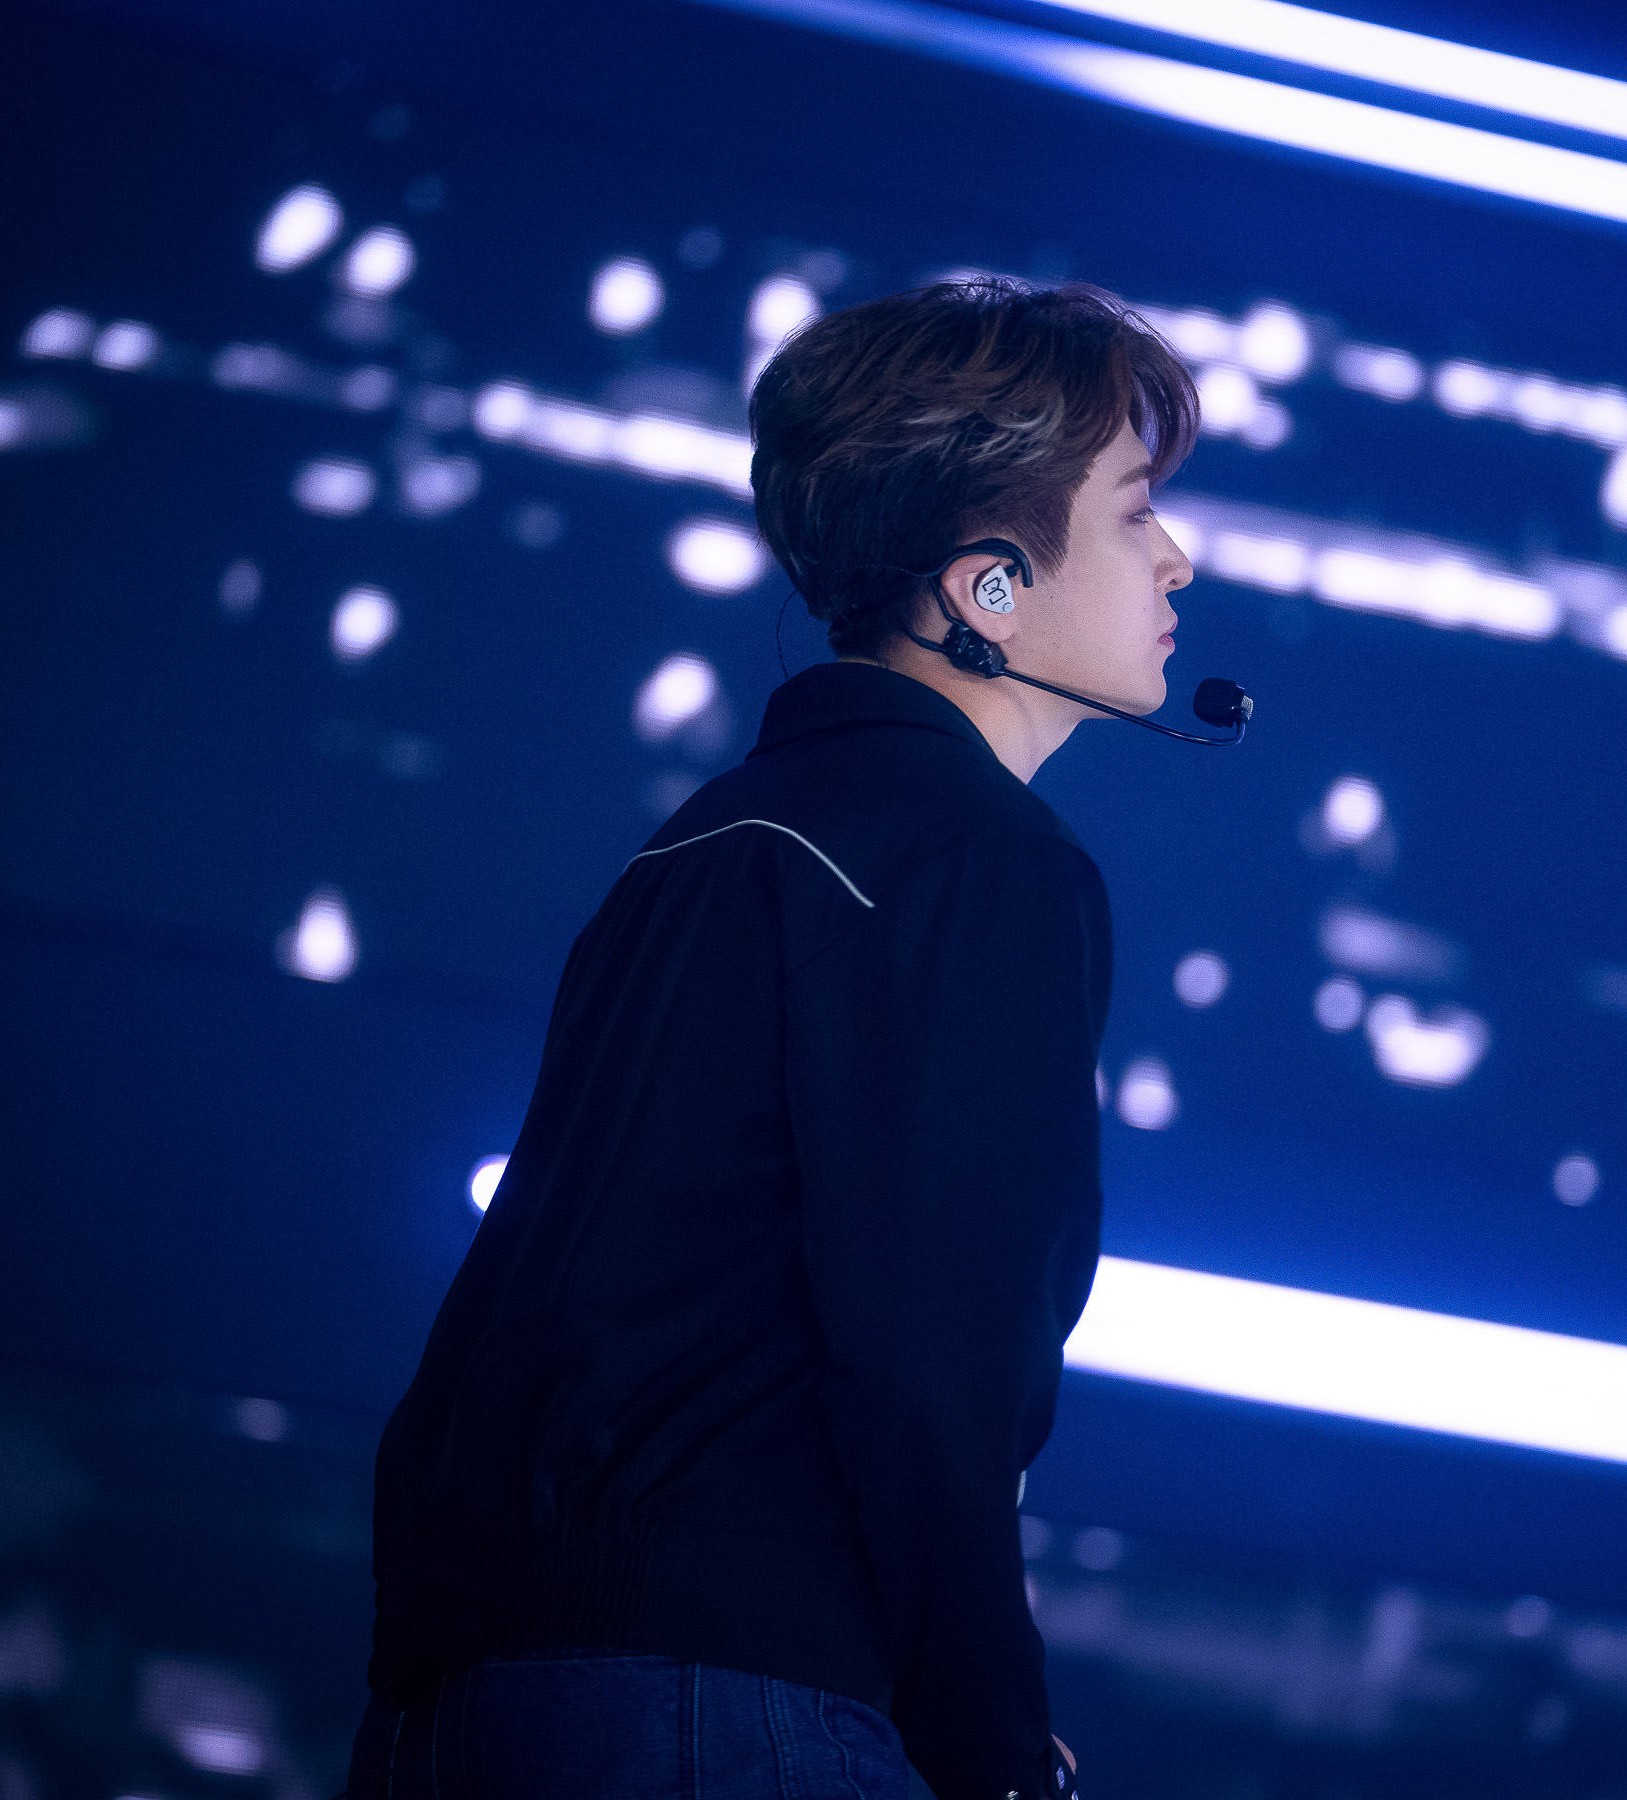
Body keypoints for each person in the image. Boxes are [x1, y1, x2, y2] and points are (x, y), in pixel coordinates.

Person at [350, 278, 1200, 1800]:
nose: (1178, 558)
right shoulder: (978, 858)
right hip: (731, 1704)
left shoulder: (702, 844)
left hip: (473, 1699)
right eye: (1137, 513)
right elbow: (937, 1352)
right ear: (988, 587)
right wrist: (995, 1749)